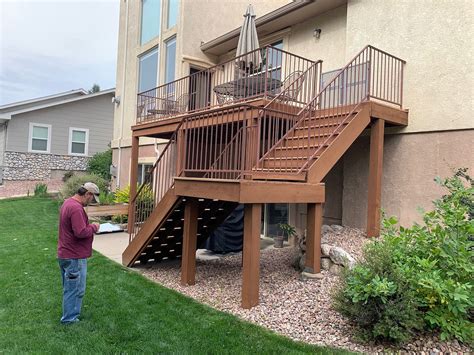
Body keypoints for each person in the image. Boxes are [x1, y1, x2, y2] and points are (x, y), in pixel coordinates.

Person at [57, 182, 100, 324]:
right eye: (92, 198)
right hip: (74, 255)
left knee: (70, 287)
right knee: (74, 289)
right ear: (87, 194)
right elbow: (80, 232)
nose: (91, 202)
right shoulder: (76, 208)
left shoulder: (68, 203)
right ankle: (69, 319)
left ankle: (72, 314)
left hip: (65, 253)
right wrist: (94, 227)